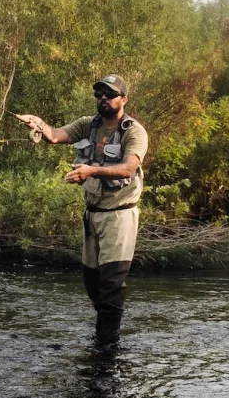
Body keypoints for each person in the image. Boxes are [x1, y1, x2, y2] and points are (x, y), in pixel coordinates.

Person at [16, 74, 148, 349]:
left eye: (109, 94)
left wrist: (91, 171)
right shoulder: (88, 125)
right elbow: (54, 136)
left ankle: (107, 345)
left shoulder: (134, 131)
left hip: (120, 215)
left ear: (123, 99)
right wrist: (37, 123)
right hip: (92, 214)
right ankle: (104, 333)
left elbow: (128, 168)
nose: (103, 98)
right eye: (99, 93)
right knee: (92, 281)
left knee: (111, 282)